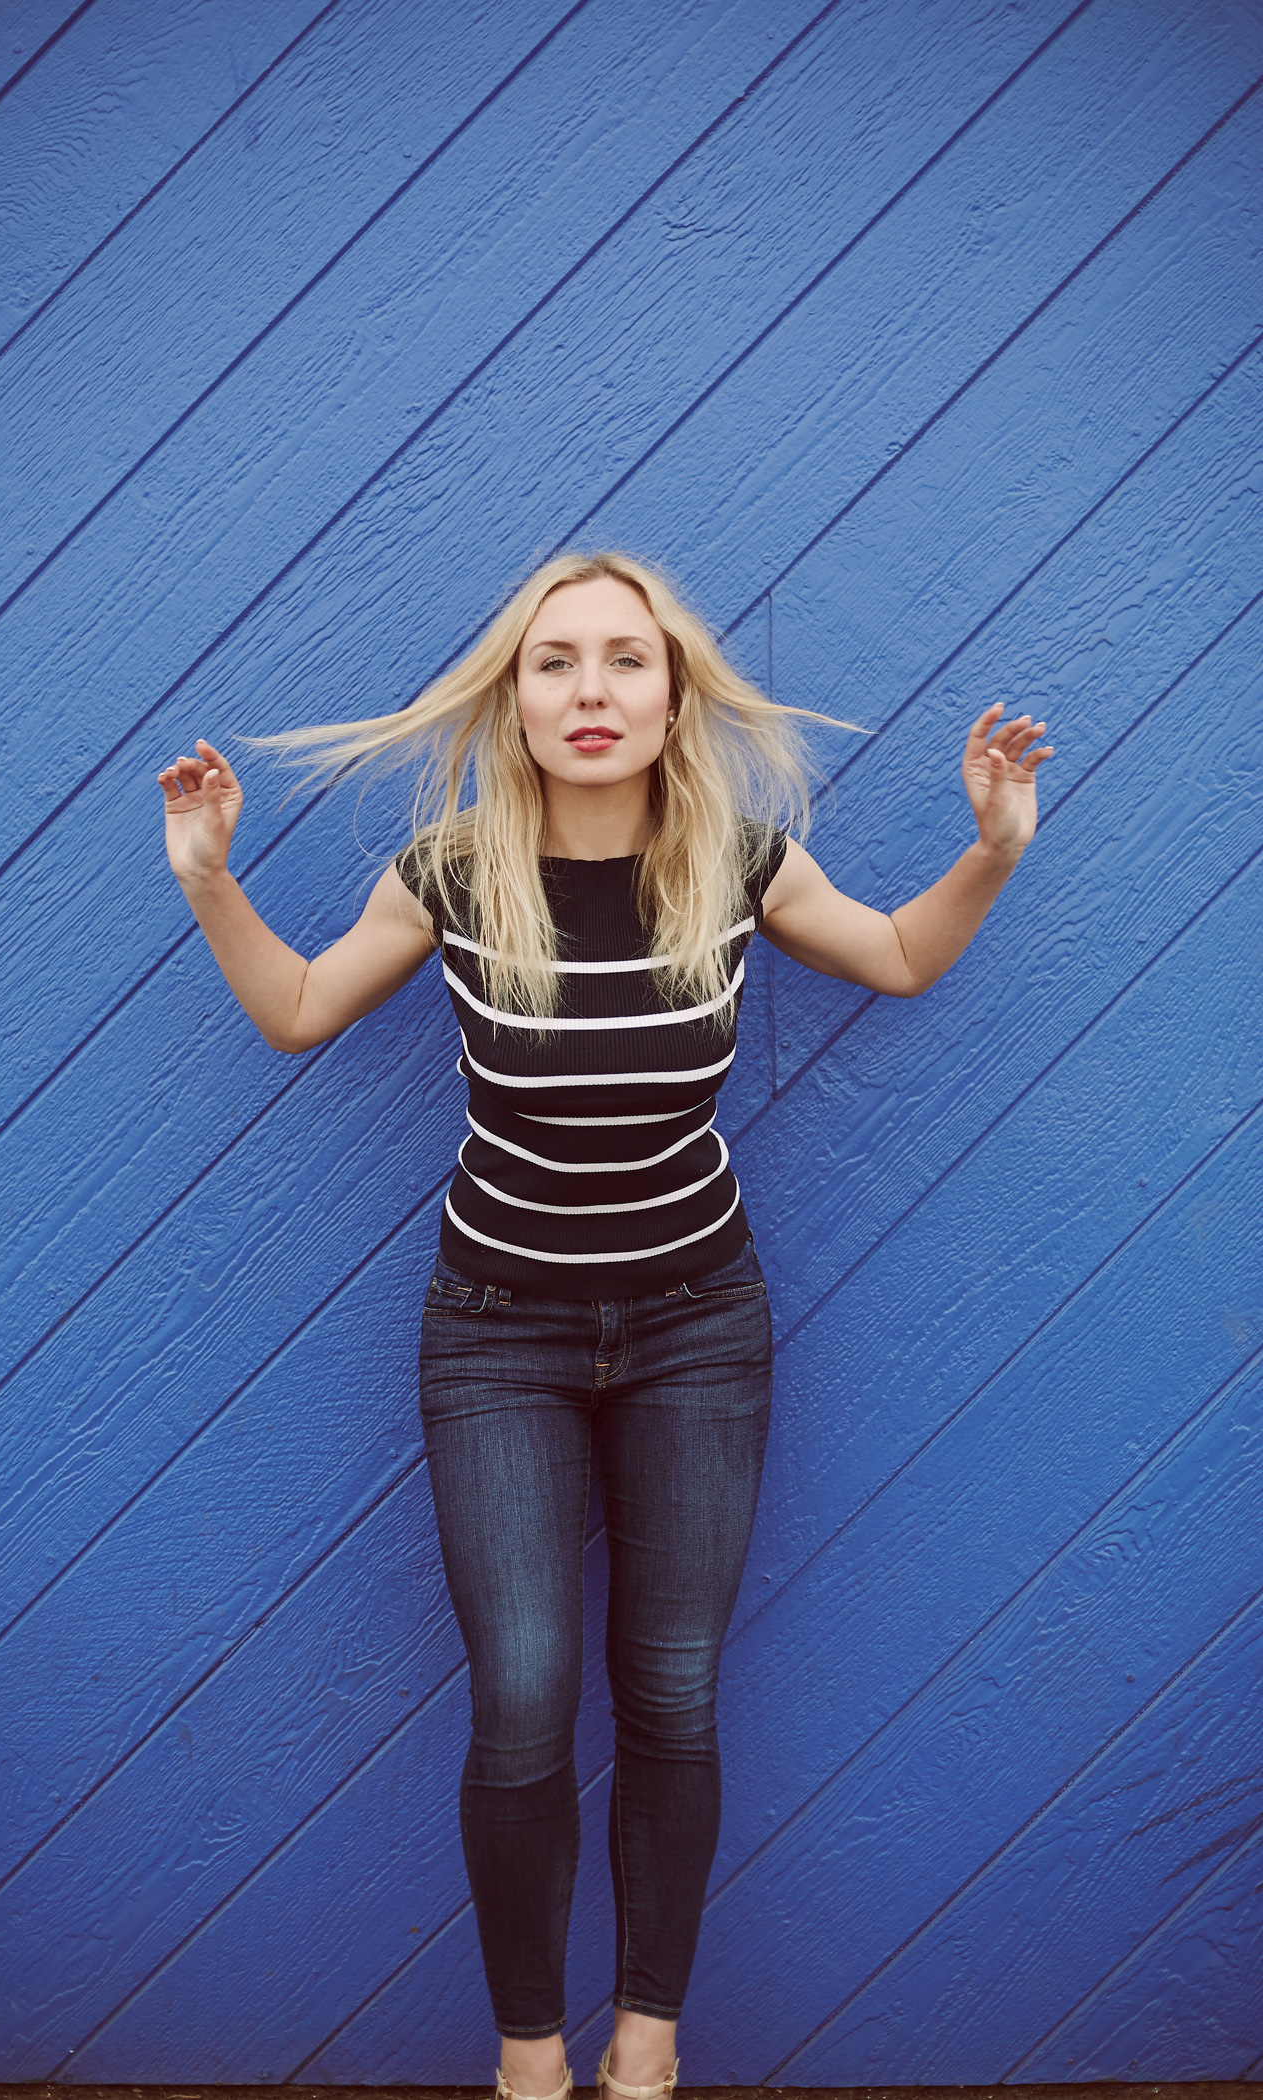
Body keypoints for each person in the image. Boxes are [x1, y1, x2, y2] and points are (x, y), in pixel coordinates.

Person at [156, 551, 1051, 2100]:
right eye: (556, 662)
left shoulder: (739, 861)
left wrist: (993, 852)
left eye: (625, 661)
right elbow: (300, 1010)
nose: (591, 691)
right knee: (520, 1694)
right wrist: (210, 879)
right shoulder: (450, 871)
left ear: (673, 695)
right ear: (513, 698)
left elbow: (899, 958)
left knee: (675, 1688)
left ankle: (647, 2050)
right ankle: (529, 2066)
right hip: (494, 1330)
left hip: (698, 1325)